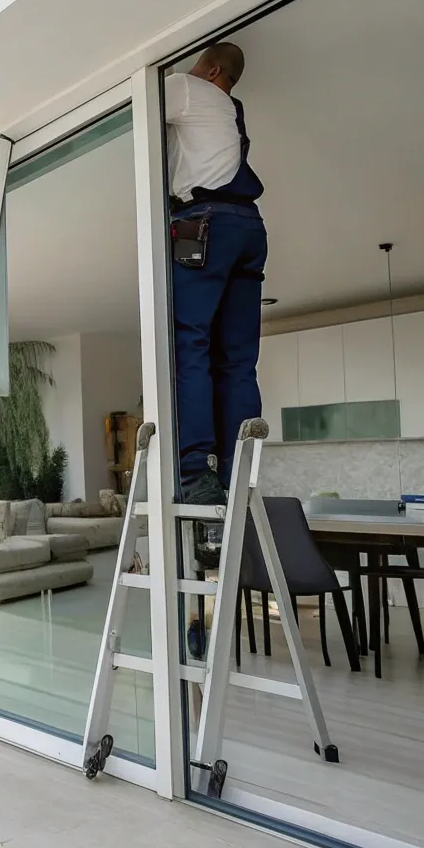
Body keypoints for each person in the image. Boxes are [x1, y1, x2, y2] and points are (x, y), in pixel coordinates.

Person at [166, 42, 267, 510]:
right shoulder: (232, 110)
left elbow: (135, 104)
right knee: (239, 360)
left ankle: (196, 471)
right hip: (249, 228)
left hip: (200, 224)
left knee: (191, 344)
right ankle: (239, 471)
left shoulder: (188, 88)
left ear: (209, 69)